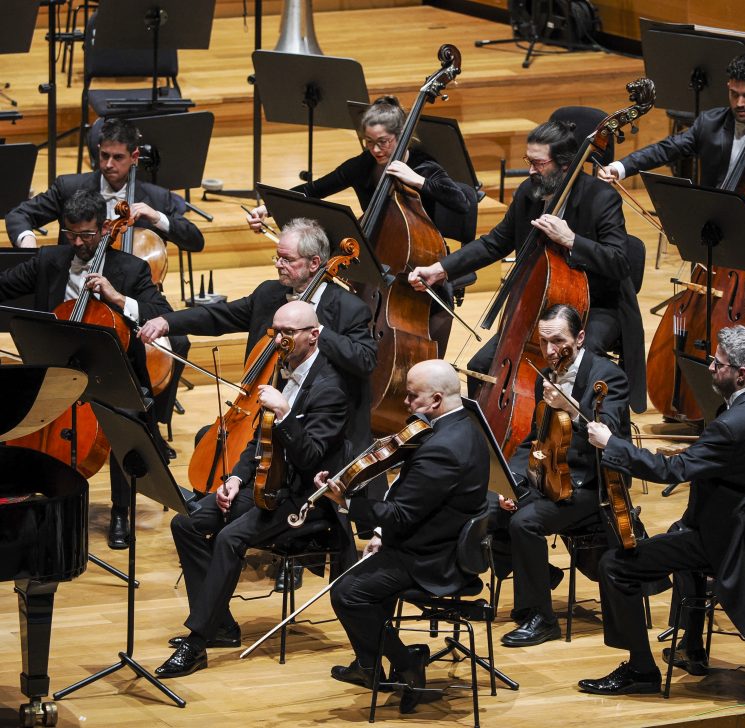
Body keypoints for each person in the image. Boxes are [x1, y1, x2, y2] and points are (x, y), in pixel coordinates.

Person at [139, 218, 376, 589]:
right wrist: (168, 322)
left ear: (316, 264)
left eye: (287, 259)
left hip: (321, 425)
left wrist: (314, 330)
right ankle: (227, 521)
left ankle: (291, 553)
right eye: (277, 258)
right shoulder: (269, 294)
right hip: (264, 412)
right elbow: (222, 315)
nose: (278, 265)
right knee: (218, 443)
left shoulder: (348, 308)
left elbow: (365, 361)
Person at [577, 326, 745, 696]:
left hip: (727, 542)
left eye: (718, 363)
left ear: (740, 373)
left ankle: (641, 670)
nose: (710, 367)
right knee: (678, 530)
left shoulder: (731, 425)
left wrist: (613, 443)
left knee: (615, 565)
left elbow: (670, 472)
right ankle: (690, 646)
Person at [154, 301, 353, 679]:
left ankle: (196, 643)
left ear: (314, 335)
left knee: (230, 537)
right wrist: (234, 478)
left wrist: (286, 415)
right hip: (266, 485)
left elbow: (311, 458)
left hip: (305, 500)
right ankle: (222, 626)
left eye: (289, 332)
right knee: (187, 524)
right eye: (276, 330)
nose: (279, 338)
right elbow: (255, 442)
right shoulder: (281, 371)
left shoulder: (331, 388)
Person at [408, 120, 646, 410]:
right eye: (528, 161)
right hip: (540, 305)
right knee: (481, 366)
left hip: (593, 306)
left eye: (538, 163)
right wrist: (440, 269)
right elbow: (494, 242)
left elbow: (619, 261)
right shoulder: (529, 193)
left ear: (565, 164)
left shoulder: (601, 197)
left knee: (579, 365)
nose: (531, 169)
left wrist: (572, 240)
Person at [0, 189, 173, 548]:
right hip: (58, 373)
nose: (78, 243)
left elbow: (160, 312)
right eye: (71, 234)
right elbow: (4, 286)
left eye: (87, 235)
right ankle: (37, 496)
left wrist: (117, 298)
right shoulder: (50, 259)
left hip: (114, 377)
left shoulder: (130, 269)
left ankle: (120, 512)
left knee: (125, 420)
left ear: (104, 228)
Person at [322, 359, 489, 714]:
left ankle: (407, 661)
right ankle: (368, 667)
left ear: (436, 401)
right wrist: (383, 532)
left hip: (431, 560)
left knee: (347, 593)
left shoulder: (442, 449)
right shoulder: (466, 427)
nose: (406, 404)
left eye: (413, 397)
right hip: (434, 540)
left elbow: (401, 512)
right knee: (364, 582)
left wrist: (347, 501)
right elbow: (415, 505)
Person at [247, 96, 471, 355]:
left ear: (402, 136)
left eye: (384, 142)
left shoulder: (424, 166)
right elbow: (315, 189)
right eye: (370, 143)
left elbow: (463, 202)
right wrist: (269, 207)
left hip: (420, 268)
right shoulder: (365, 165)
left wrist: (418, 180)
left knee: (436, 314)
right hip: (376, 259)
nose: (376, 150)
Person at [493, 303, 631, 647]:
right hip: (551, 474)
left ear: (580, 337)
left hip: (592, 483)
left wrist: (570, 407)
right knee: (485, 502)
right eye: (543, 343)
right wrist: (511, 482)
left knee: (525, 523)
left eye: (559, 342)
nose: (551, 352)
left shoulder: (607, 377)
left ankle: (542, 618)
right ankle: (540, 575)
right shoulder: (550, 372)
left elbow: (608, 436)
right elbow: (533, 440)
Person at [598, 52, 745, 206]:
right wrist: (620, 168)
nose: (740, 103)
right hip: (718, 216)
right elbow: (666, 149)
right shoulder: (710, 123)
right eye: (734, 94)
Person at [5, 118, 204, 254]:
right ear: (99, 150)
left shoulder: (157, 198)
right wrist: (28, 244)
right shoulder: (69, 187)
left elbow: (195, 241)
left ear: (134, 157)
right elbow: (19, 215)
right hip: (74, 287)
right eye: (104, 155)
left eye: (118, 157)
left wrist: (157, 217)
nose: (109, 164)